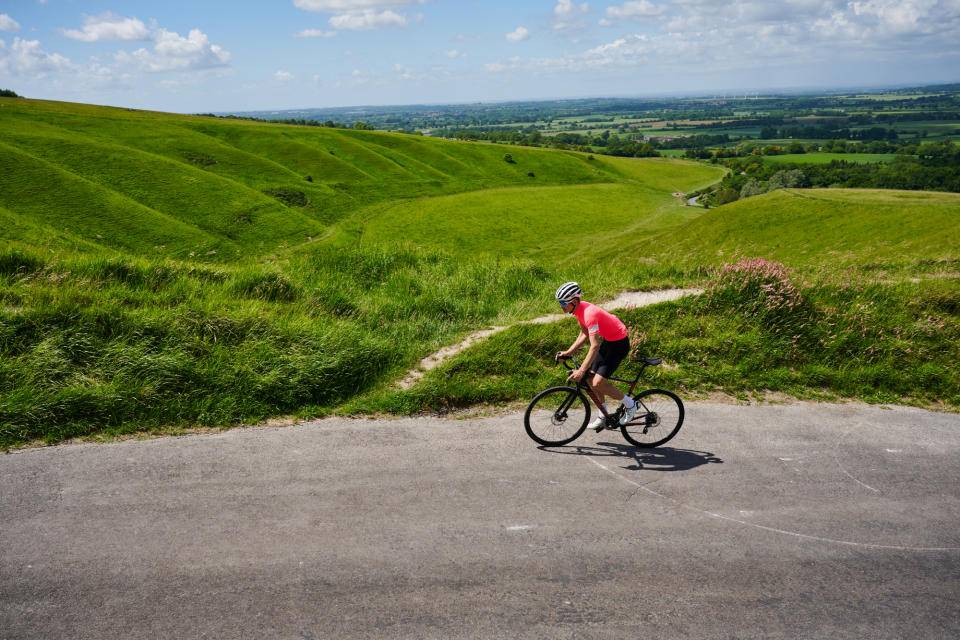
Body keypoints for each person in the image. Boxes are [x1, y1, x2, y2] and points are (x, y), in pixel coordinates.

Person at [554, 281, 636, 431]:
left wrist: (580, 370)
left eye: (563, 303)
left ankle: (630, 404)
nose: (561, 306)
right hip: (609, 341)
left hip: (619, 344)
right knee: (590, 379)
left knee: (597, 383)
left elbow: (595, 346)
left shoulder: (589, 313)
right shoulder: (579, 310)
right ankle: (603, 415)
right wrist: (568, 352)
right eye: (560, 302)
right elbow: (584, 333)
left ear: (574, 301)